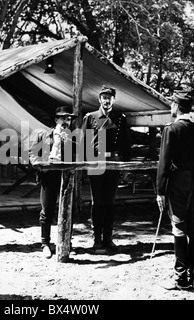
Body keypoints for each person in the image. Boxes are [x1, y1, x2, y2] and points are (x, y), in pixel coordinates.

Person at [156, 89, 194, 290]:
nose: (171, 106)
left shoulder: (172, 129)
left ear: (177, 106)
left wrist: (160, 190)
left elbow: (164, 162)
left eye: (172, 103)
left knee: (178, 227)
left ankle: (180, 279)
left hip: (178, 182)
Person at [81, 85, 130, 252]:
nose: (106, 100)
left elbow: (125, 144)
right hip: (96, 163)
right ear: (99, 99)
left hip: (114, 162)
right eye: (104, 97)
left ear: (114, 100)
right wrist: (85, 164)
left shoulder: (121, 118)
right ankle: (96, 239)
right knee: (97, 202)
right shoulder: (90, 117)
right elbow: (84, 143)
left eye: (109, 97)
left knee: (110, 202)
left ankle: (108, 238)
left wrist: (126, 166)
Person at [29, 106, 77, 259]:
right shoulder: (44, 135)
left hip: (66, 175)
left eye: (68, 119)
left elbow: (80, 155)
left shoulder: (73, 137)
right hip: (49, 175)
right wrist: (42, 168)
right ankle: (45, 244)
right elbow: (32, 154)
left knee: (68, 209)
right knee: (47, 211)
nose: (66, 121)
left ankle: (66, 242)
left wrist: (69, 142)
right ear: (56, 120)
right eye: (63, 118)